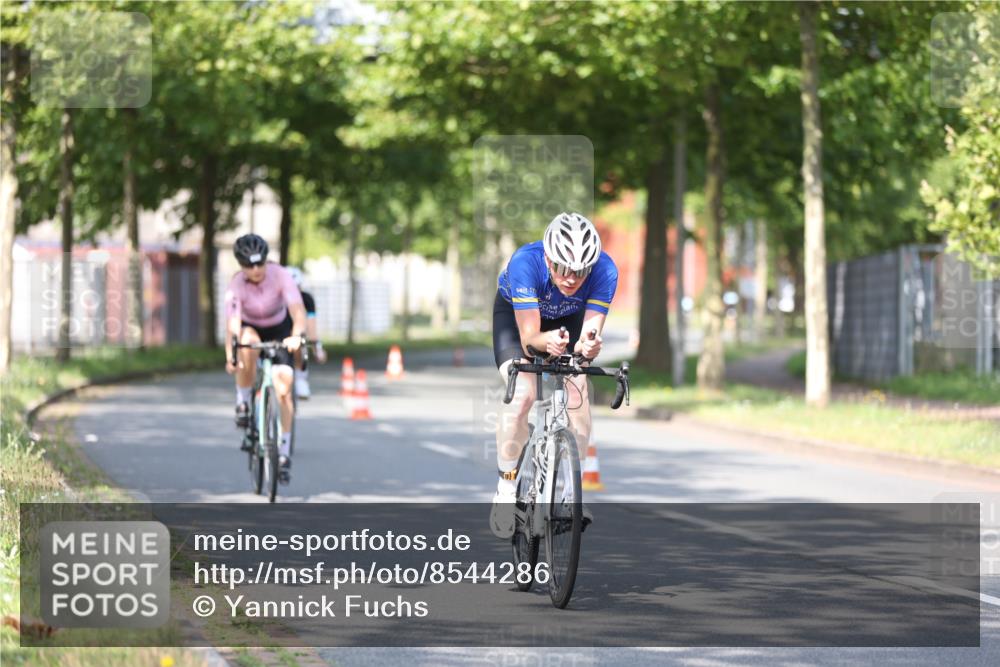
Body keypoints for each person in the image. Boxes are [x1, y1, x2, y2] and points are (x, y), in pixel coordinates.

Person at [490, 212, 618, 538]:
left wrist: (588, 347)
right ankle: (505, 490)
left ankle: (572, 493)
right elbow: (530, 337)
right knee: (524, 395)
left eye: (580, 271)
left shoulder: (605, 270)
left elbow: (590, 332)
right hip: (519, 319)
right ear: (548, 257)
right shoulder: (525, 263)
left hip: (568, 320)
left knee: (578, 391)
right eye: (562, 268)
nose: (571, 278)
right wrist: (546, 342)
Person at [224, 234, 306, 480]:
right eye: (249, 265)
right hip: (251, 327)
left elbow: (298, 311)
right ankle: (244, 400)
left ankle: (283, 449)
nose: (256, 269)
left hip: (280, 328)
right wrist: (231, 355)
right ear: (241, 265)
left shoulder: (280, 275)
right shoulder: (236, 284)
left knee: (283, 385)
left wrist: (296, 335)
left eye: (260, 264)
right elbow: (232, 325)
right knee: (247, 344)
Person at [284, 266, 327, 399]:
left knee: (299, 341)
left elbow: (311, 327)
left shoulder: (306, 299)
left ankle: (300, 378)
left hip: (296, 334)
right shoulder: (275, 298)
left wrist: (317, 348)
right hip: (278, 332)